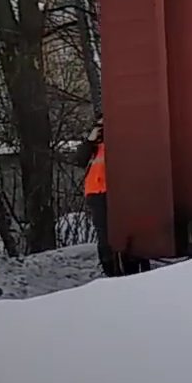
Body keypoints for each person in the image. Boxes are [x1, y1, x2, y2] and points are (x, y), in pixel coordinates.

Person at [77, 118, 117, 277]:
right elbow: (79, 160)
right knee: (105, 237)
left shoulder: (119, 141)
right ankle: (110, 270)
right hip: (97, 194)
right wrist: (90, 141)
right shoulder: (94, 146)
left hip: (117, 194)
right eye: (100, 126)